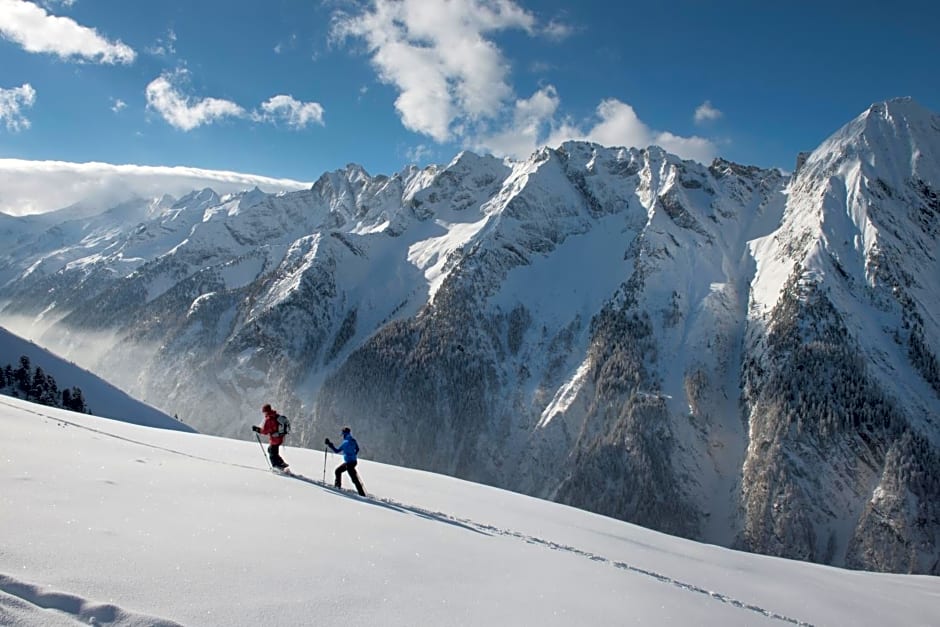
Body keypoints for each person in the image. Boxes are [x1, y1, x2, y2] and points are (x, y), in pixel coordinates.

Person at [325, 427, 365, 495]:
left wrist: (330, 444)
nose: (342, 436)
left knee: (351, 477)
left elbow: (337, 451)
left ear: (345, 434)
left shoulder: (345, 443)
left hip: (349, 463)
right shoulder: (353, 440)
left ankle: (361, 494)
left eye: (343, 434)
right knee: (344, 473)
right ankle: (361, 493)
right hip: (353, 462)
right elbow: (357, 449)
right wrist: (353, 455)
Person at [252, 403, 289, 471]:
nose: (264, 413)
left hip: (275, 439)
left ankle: (276, 468)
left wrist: (257, 429)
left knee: (272, 454)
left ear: (266, 411)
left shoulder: (269, 419)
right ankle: (281, 463)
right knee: (272, 451)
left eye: (264, 412)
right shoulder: (276, 416)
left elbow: (265, 431)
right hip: (280, 438)